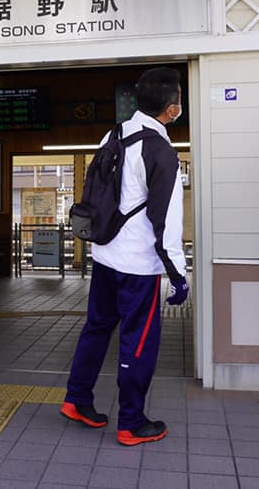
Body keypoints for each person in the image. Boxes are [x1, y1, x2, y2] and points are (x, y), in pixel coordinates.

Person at [61, 66, 190, 447]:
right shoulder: (161, 150)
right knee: (139, 340)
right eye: (179, 99)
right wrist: (178, 274)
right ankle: (131, 422)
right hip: (137, 264)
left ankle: (77, 399)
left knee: (97, 328)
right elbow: (165, 217)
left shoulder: (113, 134)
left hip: (104, 255)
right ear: (171, 108)